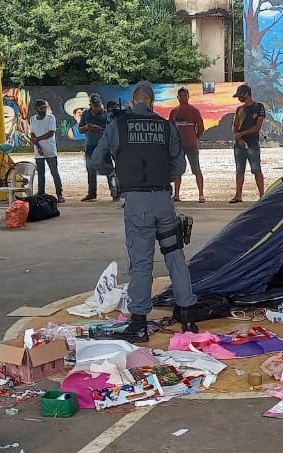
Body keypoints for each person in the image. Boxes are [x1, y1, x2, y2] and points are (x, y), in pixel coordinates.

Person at [89, 81, 199, 342]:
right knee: (175, 256)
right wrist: (163, 180)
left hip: (136, 202)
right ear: (152, 103)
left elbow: (96, 161)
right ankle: (188, 317)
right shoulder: (166, 127)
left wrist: (115, 173)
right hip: (163, 199)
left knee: (141, 263)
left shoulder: (118, 126)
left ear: (132, 102)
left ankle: (139, 323)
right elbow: (179, 167)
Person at [228, 84, 265, 203]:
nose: (239, 98)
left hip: (253, 143)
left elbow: (257, 127)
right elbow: (235, 126)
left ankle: (262, 195)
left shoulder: (259, 107)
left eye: (240, 95)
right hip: (240, 144)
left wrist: (241, 134)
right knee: (239, 170)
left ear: (246, 94)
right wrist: (239, 139)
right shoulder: (239, 109)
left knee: (256, 169)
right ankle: (238, 195)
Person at [169, 86, 206, 202]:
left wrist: (195, 138)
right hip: (178, 147)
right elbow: (171, 128)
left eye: (185, 95)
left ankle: (201, 194)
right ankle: (176, 195)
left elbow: (201, 127)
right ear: (177, 97)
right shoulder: (174, 112)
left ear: (188, 96)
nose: (183, 97)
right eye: (181, 96)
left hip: (191, 145)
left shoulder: (194, 111)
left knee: (196, 169)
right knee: (177, 170)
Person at [79, 93, 116, 202]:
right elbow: (80, 129)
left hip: (103, 146)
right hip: (90, 145)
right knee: (90, 169)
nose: (97, 108)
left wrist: (100, 129)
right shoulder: (85, 114)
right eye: (95, 106)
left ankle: (115, 192)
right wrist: (86, 127)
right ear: (90, 105)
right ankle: (92, 193)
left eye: (98, 106)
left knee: (109, 170)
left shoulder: (106, 114)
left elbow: (111, 130)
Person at [30, 99, 64, 202]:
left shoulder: (50, 117)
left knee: (54, 172)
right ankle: (41, 192)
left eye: (45, 107)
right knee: (41, 173)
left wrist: (38, 139)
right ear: (36, 109)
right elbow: (32, 134)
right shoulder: (33, 119)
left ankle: (60, 194)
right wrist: (38, 146)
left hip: (50, 149)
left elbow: (51, 133)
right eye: (42, 108)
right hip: (39, 151)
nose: (44, 110)